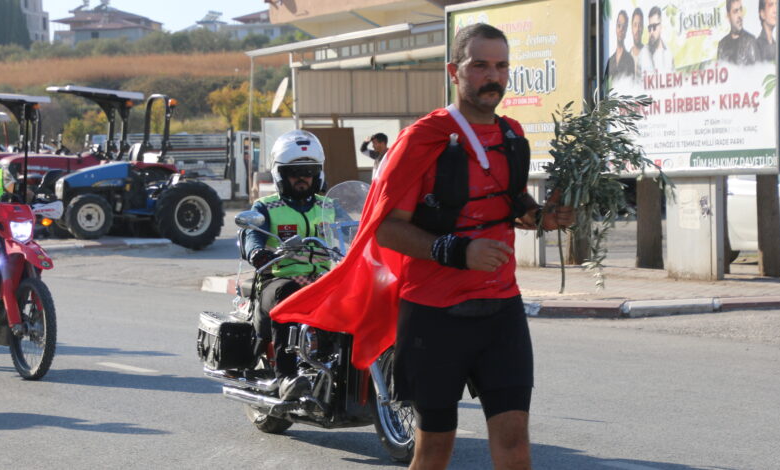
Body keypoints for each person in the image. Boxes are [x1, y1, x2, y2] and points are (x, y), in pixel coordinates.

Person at [270, 23, 573, 470]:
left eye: (502, 66)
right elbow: (385, 229)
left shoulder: (511, 136)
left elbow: (510, 206)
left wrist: (542, 219)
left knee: (515, 446)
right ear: (455, 70)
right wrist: (458, 252)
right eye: (480, 65)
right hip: (435, 317)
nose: (493, 76)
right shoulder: (422, 140)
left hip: (500, 310)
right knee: (433, 452)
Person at [242, 129, 335, 401]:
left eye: (309, 171)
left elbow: (354, 230)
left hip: (324, 279)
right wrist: (257, 251)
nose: (303, 178)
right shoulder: (266, 207)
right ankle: (286, 376)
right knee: (289, 295)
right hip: (278, 280)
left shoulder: (329, 206)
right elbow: (251, 233)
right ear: (281, 175)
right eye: (295, 172)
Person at [718, 0, 758, 65]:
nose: (740, 15)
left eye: (741, 10)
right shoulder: (722, 45)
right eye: (735, 11)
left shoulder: (751, 41)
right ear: (728, 16)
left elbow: (759, 71)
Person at [639, 7, 674, 73]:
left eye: (654, 27)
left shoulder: (669, 53)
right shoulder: (643, 54)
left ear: (661, 27)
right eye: (649, 28)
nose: (651, 31)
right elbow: (637, 82)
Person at [605, 10, 636, 80]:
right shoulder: (610, 61)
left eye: (623, 27)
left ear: (626, 31)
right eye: (619, 25)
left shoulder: (630, 60)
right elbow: (605, 86)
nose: (621, 29)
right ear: (616, 28)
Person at [629, 8, 646, 75]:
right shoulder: (626, 59)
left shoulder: (648, 55)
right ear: (631, 28)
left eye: (640, 25)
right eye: (635, 25)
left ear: (643, 28)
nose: (637, 29)